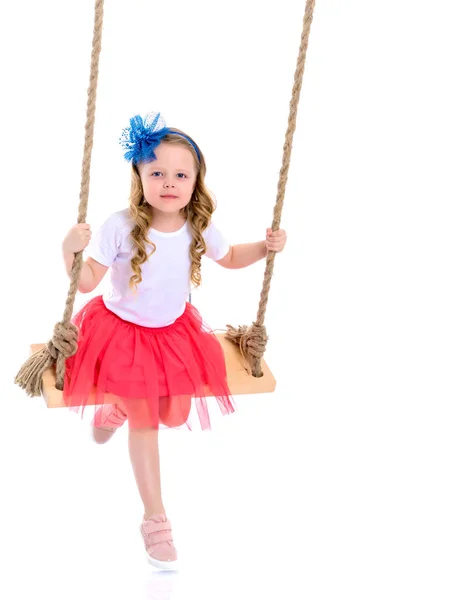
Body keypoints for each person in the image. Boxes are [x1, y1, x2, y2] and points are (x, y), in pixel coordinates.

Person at [61, 112, 287, 570]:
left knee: (174, 411)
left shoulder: (197, 226)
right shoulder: (120, 225)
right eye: (156, 172)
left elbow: (231, 257)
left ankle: (118, 406)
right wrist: (69, 248)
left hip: (175, 334)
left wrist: (265, 247)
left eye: (180, 174)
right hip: (123, 336)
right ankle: (155, 517)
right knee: (148, 425)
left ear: (196, 180)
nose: (169, 182)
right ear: (139, 177)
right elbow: (85, 282)